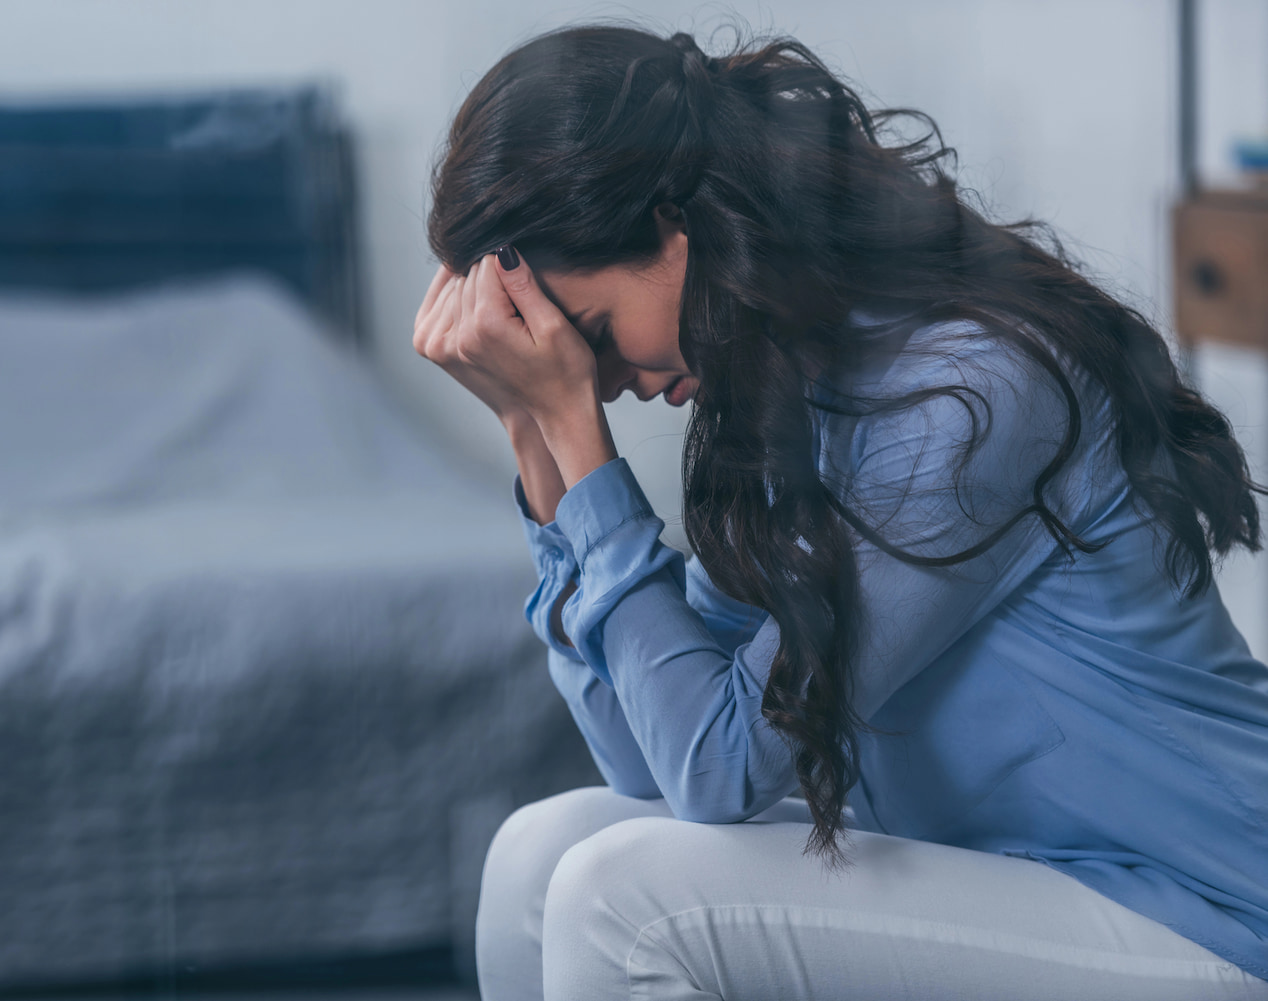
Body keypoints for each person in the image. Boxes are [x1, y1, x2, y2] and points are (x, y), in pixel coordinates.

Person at [411, 23, 1268, 1000]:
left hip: (1208, 908)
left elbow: (719, 768)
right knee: (539, 853)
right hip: (1020, 872)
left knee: (618, 894)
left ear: (677, 227)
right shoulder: (788, 386)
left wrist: (574, 432)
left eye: (594, 335)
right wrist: (534, 432)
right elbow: (652, 754)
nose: (599, 384)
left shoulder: (966, 398)